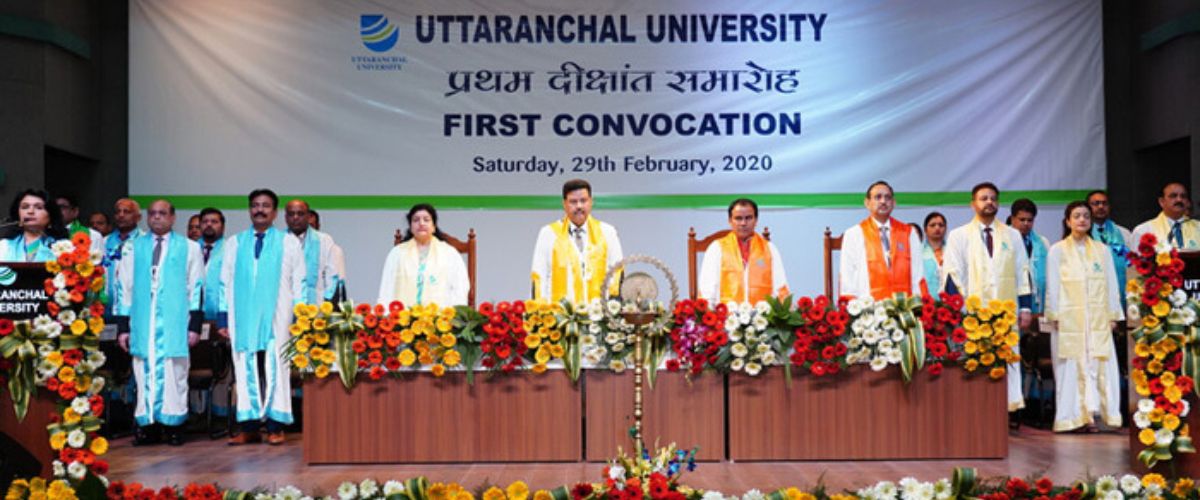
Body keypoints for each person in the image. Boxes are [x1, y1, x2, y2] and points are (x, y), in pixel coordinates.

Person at [218, 189, 304, 446]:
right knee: (245, 368)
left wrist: (300, 317)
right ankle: (250, 427)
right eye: (255, 205)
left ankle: (276, 426)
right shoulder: (235, 243)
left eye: (266, 206)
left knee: (276, 367)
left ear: (275, 212)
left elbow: (300, 282)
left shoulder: (289, 243)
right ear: (249, 210)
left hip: (278, 317)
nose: (260, 210)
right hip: (243, 317)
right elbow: (224, 281)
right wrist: (223, 318)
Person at [115, 200, 204, 446]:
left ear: (173, 217)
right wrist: (123, 328)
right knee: (143, 373)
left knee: (175, 374)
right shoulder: (133, 247)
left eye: (162, 213)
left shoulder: (189, 248)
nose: (156, 217)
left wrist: (194, 325)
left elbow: (196, 286)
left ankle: (174, 426)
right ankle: (148, 427)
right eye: (152, 213)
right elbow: (124, 287)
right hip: (143, 321)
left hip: (175, 321)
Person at [942, 182, 1033, 417]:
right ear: (973, 204)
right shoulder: (959, 235)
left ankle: (1005, 413)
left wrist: (1025, 307)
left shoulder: (1012, 235)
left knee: (1007, 359)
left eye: (993, 198)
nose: (989, 202)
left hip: (1006, 312)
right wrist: (958, 311)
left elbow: (1022, 271)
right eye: (983, 198)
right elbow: (952, 274)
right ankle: (976, 412)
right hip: (973, 313)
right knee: (974, 359)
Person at [1044, 201, 1123, 432]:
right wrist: (1055, 314)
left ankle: (1096, 416)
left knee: (1097, 365)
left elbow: (1111, 283)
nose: (1082, 220)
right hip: (1069, 320)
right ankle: (1072, 417)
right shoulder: (1057, 250)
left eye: (1086, 216)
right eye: (1077, 216)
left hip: (1096, 319)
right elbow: (1052, 284)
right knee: (1071, 367)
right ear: (1068, 221)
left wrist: (1113, 315)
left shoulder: (1102, 250)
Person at [531, 179, 623, 303]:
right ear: (564, 204)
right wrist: (540, 311)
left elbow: (616, 274)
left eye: (583, 201)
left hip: (599, 312)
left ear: (591, 202)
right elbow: (539, 277)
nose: (579, 206)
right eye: (573, 202)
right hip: (559, 312)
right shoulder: (548, 233)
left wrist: (613, 309)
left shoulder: (607, 232)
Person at [839, 181, 924, 300]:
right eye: (878, 197)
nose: (883, 201)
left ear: (893, 203)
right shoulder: (854, 234)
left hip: (903, 307)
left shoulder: (908, 233)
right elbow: (847, 278)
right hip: (868, 307)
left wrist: (917, 305)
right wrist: (854, 307)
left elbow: (918, 275)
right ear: (867, 203)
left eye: (887, 197)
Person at [697, 198, 788, 303]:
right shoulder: (717, 248)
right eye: (738, 218)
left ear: (756, 220)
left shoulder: (769, 249)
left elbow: (780, 289)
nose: (743, 223)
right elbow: (707, 291)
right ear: (730, 221)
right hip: (726, 312)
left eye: (748, 218)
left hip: (762, 313)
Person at [378, 204, 470, 306]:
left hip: (439, 314)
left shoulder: (449, 253)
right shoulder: (397, 253)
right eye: (416, 220)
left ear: (434, 227)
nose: (421, 223)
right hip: (404, 314)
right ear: (411, 227)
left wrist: (453, 313)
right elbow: (387, 288)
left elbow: (459, 288)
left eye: (426, 220)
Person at [284, 200, 341, 305]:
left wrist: (329, 305)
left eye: (300, 214)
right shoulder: (278, 241)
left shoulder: (324, 240)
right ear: (286, 217)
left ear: (308, 216)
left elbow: (332, 277)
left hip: (317, 305)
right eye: (291, 214)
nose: (295, 217)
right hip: (285, 306)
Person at [1087, 190, 1132, 310]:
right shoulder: (1083, 234)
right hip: (1092, 294)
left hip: (1120, 291)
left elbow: (1130, 264)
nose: (1101, 207)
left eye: (1104, 203)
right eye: (1096, 203)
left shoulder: (1124, 233)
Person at [0, 189, 68, 261]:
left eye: (39, 208)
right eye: (25, 207)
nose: (30, 211)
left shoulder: (62, 247)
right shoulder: (4, 246)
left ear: (51, 215)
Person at [1010, 199, 1051, 316]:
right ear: (1013, 219)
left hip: (1038, 303)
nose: (1026, 223)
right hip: (1012, 300)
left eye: (1030, 220)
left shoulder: (1043, 242)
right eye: (1022, 219)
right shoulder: (1003, 242)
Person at [104, 199, 145, 315]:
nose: (121, 215)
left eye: (126, 212)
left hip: (136, 308)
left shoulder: (145, 242)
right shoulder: (105, 241)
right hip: (107, 309)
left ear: (138, 217)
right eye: (118, 212)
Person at [1132, 182, 1200, 250]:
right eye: (1173, 196)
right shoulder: (1144, 230)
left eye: (1183, 196)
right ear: (1161, 201)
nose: (1179, 199)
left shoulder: (1198, 227)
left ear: (1187, 202)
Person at [198, 207, 226, 321]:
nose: (209, 224)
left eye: (214, 222)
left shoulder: (231, 250)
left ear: (223, 227)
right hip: (190, 317)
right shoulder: (189, 249)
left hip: (220, 317)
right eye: (205, 222)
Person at [921, 212, 948, 297]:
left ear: (946, 228)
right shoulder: (918, 252)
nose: (937, 228)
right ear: (925, 230)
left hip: (951, 301)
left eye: (941, 225)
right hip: (926, 300)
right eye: (932, 225)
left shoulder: (953, 250)